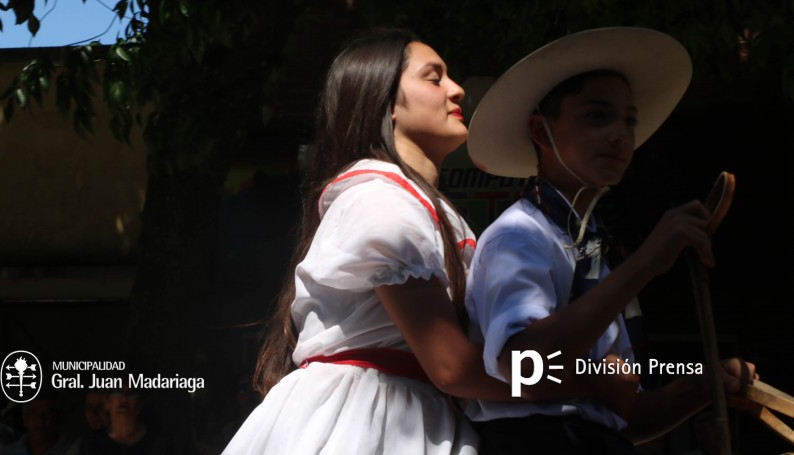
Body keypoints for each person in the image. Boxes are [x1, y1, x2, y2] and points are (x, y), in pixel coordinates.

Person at [222, 28, 548, 454]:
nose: (458, 90)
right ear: (385, 103)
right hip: (369, 425)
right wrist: (578, 379)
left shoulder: (408, 205)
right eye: (435, 78)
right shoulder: (382, 202)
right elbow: (452, 365)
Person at [464, 27, 757, 454]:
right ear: (541, 131)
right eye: (598, 116)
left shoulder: (592, 249)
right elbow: (526, 372)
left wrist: (706, 384)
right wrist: (645, 265)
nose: (620, 134)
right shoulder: (518, 237)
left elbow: (620, 415)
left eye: (629, 120)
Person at [0, 392, 69, 455]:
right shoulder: (6, 453)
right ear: (25, 418)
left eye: (47, 413)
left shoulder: (72, 451)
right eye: (33, 413)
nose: (40, 420)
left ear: (56, 418)